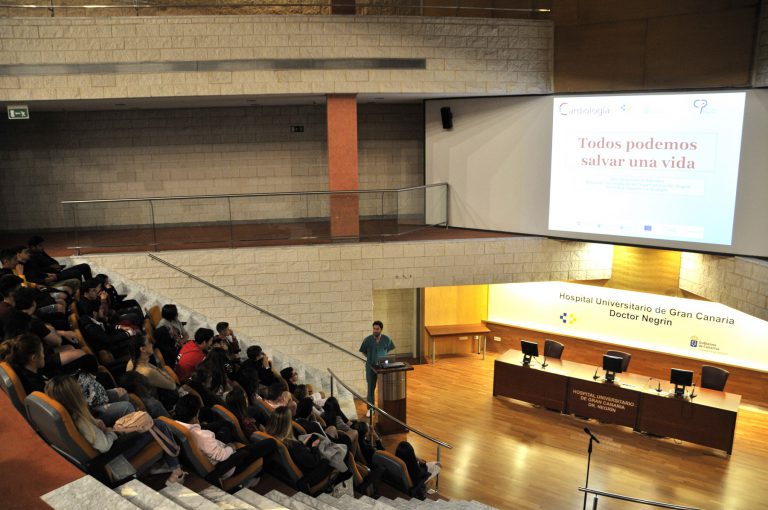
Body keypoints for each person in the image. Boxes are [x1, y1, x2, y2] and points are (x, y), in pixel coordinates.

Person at [44, 374, 185, 485]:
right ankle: (176, 470)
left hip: (105, 452)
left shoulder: (70, 415)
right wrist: (113, 433)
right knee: (158, 424)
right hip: (112, 456)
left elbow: (94, 432)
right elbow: (104, 445)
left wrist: (100, 425)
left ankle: (164, 464)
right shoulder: (80, 420)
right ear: (74, 396)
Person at [174, 394, 276, 486]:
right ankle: (255, 476)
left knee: (226, 427)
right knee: (271, 443)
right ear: (195, 416)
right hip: (229, 465)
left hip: (212, 449)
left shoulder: (175, 426)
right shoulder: (202, 436)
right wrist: (232, 447)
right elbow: (221, 456)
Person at [358, 320, 395, 410]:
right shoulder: (368, 340)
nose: (375, 330)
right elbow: (363, 351)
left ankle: (384, 407)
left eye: (377, 329)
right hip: (371, 367)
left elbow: (389, 349)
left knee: (384, 387)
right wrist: (371, 357)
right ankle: (370, 409)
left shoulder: (387, 339)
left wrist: (383, 355)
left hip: (383, 368)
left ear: (381, 329)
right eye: (374, 329)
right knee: (371, 388)